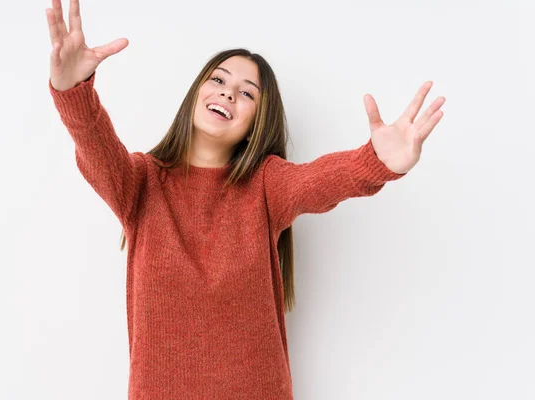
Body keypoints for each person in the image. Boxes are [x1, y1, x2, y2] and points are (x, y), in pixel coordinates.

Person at [46, 0, 446, 398]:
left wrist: (375, 161)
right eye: (218, 80)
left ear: (259, 121)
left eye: (246, 93)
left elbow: (320, 181)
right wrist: (73, 92)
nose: (228, 93)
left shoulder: (266, 185)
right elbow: (95, 146)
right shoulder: (140, 183)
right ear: (197, 93)